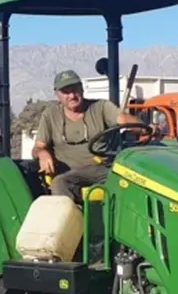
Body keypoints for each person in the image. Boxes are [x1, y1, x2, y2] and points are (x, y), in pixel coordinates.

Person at [32, 69, 139, 200]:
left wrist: (145, 128)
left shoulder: (101, 107)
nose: (72, 95)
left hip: (102, 169)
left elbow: (123, 119)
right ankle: (69, 218)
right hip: (69, 173)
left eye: (75, 89)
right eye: (66, 92)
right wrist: (42, 154)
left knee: (134, 179)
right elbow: (38, 147)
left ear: (82, 89)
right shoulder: (50, 115)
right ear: (57, 94)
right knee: (60, 183)